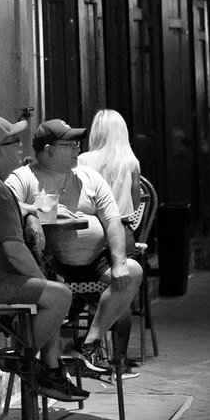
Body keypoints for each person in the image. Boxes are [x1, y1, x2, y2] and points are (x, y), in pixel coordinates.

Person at [0, 115, 85, 403]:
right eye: (14, 142)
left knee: (53, 289)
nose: (20, 148)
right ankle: (21, 359)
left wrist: (29, 212)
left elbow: (8, 206)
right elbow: (14, 250)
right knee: (58, 295)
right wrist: (40, 282)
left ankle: (51, 370)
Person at [5, 117, 142, 379]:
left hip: (94, 261)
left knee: (132, 271)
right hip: (52, 263)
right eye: (70, 145)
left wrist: (119, 262)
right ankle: (47, 365)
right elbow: (5, 202)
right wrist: (34, 212)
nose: (77, 150)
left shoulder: (88, 176)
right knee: (50, 290)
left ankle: (88, 345)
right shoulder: (25, 176)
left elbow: (112, 219)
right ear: (49, 151)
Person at [76, 108, 142, 376]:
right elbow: (136, 204)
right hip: (123, 232)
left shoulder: (82, 160)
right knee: (121, 290)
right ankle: (120, 362)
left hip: (91, 232)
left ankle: (88, 351)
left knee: (99, 289)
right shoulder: (131, 161)